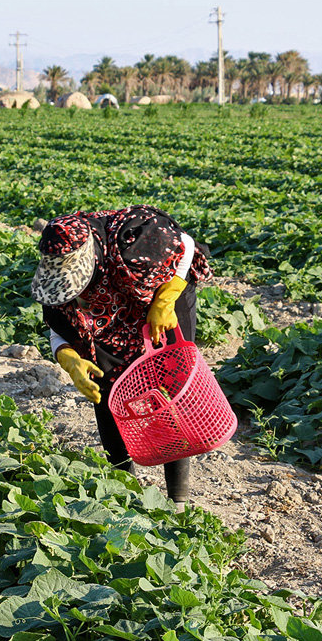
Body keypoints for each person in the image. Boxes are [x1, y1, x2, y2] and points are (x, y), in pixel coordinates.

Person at [31, 205, 212, 508]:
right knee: (106, 387)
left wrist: (165, 301)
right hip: (107, 318)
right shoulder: (56, 279)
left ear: (90, 260)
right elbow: (58, 326)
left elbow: (187, 246)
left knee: (168, 381)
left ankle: (178, 501)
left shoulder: (130, 236)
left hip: (158, 296)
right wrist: (71, 361)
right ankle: (123, 491)